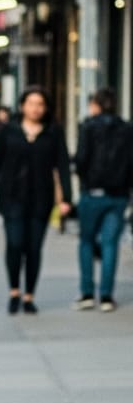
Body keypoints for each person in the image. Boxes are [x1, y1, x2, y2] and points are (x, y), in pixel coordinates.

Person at [0, 85, 74, 314]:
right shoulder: (8, 131)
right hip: (12, 197)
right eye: (31, 103)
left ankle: (29, 295)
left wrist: (66, 199)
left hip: (41, 199)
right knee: (15, 243)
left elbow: (62, 165)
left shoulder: (53, 132)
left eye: (40, 104)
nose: (36, 108)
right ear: (22, 106)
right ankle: (14, 290)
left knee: (34, 248)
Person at [72, 87, 132, 311]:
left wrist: (84, 179)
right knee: (110, 244)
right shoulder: (127, 129)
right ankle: (106, 295)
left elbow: (81, 159)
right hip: (118, 195)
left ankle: (87, 292)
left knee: (86, 242)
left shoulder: (88, 127)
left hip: (93, 193)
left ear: (96, 104)